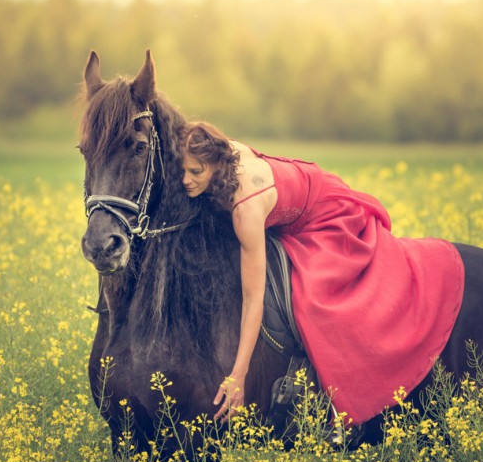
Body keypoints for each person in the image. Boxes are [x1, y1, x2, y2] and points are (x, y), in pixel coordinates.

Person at [181, 122, 466, 426]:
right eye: (182, 171)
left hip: (327, 217)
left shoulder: (246, 210)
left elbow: (254, 299)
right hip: (300, 195)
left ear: (217, 165)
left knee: (315, 300)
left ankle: (334, 407)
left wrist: (238, 376)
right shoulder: (222, 151)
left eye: (196, 172)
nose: (186, 181)